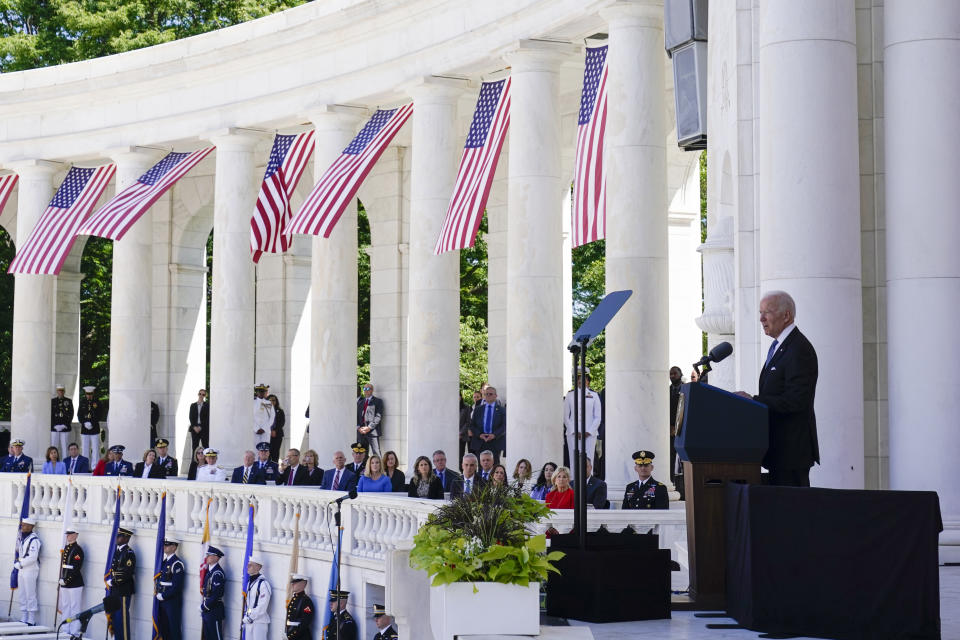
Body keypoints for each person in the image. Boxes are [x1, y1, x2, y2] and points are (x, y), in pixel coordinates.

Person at [736, 290, 820, 487]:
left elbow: (797, 400)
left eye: (767, 312)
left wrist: (754, 401)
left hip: (792, 451)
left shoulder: (799, 349)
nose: (761, 319)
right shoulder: (780, 346)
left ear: (786, 315)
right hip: (778, 450)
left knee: (793, 513)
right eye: (760, 312)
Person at [563, 368, 602, 464]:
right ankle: (574, 479)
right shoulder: (570, 395)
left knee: (589, 460)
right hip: (573, 434)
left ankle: (588, 479)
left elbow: (598, 417)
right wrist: (574, 431)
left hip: (589, 434)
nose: (581, 381)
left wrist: (588, 432)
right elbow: (565, 416)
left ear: (588, 381)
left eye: (584, 378)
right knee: (573, 460)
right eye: (579, 378)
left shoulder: (594, 395)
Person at [107, 527, 136, 640]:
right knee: (115, 618)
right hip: (115, 590)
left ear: (126, 538)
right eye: (117, 536)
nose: (117, 538)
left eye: (119, 536)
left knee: (121, 619)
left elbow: (127, 572)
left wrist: (113, 581)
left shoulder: (129, 553)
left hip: (123, 590)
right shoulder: (118, 551)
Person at [155, 536, 185, 640]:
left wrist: (164, 595)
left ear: (174, 547)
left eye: (167, 545)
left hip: (171, 601)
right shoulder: (164, 562)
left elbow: (177, 587)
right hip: (162, 600)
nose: (164, 547)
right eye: (164, 545)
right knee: (164, 628)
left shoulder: (177, 564)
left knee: (173, 629)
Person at [14, 517, 40, 625]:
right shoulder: (24, 538)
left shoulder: (34, 540)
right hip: (22, 570)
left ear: (30, 527)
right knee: (22, 593)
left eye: (24, 525)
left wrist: (20, 563)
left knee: (30, 594)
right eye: (22, 525)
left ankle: (31, 619)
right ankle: (24, 616)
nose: (22, 527)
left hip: (30, 570)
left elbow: (33, 557)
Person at [59, 527, 85, 637]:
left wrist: (67, 580)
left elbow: (76, 568)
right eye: (67, 534)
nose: (68, 536)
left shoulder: (78, 550)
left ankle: (74, 630)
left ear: (76, 535)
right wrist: (62, 579)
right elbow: (64, 567)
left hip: (74, 583)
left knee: (75, 607)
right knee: (65, 606)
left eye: (70, 534)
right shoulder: (67, 548)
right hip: (65, 583)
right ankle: (65, 629)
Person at [470, 386, 505, 463]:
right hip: (480, 442)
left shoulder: (502, 410)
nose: (488, 396)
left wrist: (494, 435)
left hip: (495, 442)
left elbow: (504, 426)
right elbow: (472, 425)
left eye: (490, 394)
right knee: (481, 467)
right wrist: (479, 435)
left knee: (494, 467)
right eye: (486, 394)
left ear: (495, 396)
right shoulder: (478, 409)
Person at [200, 546, 226, 640]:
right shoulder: (209, 572)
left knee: (215, 636)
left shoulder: (217, 573)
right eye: (207, 555)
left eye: (210, 555)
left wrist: (204, 606)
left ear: (216, 558)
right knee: (208, 636)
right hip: (208, 610)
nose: (207, 557)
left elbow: (216, 595)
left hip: (214, 610)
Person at [242, 556, 271, 640]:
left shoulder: (263, 584)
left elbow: (263, 605)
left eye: (250, 565)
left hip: (259, 622)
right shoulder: (249, 583)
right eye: (248, 565)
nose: (247, 567)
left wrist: (251, 617)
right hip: (249, 621)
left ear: (258, 567)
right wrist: (246, 617)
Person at [668, 366, 685, 499]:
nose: (672, 376)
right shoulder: (666, 391)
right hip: (669, 430)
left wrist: (678, 426)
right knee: (670, 459)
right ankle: (671, 482)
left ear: (680, 374)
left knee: (683, 461)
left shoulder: (686, 389)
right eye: (671, 374)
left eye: (675, 373)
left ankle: (684, 488)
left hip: (682, 430)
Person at [356, 383, 384, 456]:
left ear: (372, 390)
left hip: (372, 431)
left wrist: (369, 427)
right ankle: (364, 467)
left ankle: (379, 467)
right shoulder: (360, 402)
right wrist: (358, 427)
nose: (365, 391)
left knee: (376, 452)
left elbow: (378, 417)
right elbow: (357, 416)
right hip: (361, 432)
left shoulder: (378, 401)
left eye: (367, 389)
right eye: (364, 389)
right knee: (362, 454)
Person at [77, 385, 102, 462]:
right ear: (85, 394)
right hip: (85, 429)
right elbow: (79, 414)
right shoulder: (82, 402)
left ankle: (94, 467)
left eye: (90, 394)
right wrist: (84, 423)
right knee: (85, 449)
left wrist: (92, 424)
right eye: (87, 394)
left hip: (94, 429)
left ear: (93, 393)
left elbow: (100, 414)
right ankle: (86, 467)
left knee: (95, 449)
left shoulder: (97, 402)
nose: (89, 396)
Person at [285, 574, 314, 639]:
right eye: (292, 583)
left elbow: (305, 623)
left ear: (302, 584)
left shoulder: (306, 601)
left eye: (295, 583)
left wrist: (292, 635)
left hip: (300, 637)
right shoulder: (294, 598)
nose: (292, 585)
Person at [51, 383, 74, 458]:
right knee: (54, 447)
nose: (60, 392)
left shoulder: (68, 401)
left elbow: (71, 414)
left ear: (64, 391)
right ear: (57, 391)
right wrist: (54, 425)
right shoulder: (53, 401)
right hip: (55, 428)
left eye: (62, 391)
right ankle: (54, 464)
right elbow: (50, 415)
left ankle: (65, 465)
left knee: (65, 447)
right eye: (59, 391)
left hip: (65, 428)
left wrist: (65, 425)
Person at [253, 383, 275, 449]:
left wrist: (264, 428)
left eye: (263, 391)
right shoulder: (252, 402)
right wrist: (256, 428)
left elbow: (272, 417)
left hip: (265, 431)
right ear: (256, 392)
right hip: (254, 431)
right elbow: (249, 417)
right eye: (259, 391)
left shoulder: (269, 403)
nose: (261, 393)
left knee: (265, 449)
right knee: (255, 449)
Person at [458, 392, 477, 464]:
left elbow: (467, 422)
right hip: (452, 435)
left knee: (460, 455)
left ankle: (461, 471)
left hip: (462, 435)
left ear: (461, 397)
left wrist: (460, 433)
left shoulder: (466, 407)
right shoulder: (450, 406)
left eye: (458, 396)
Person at [268, 394, 286, 463]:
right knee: (268, 452)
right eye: (270, 400)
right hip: (267, 434)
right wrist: (270, 430)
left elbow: (282, 422)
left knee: (275, 452)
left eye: (273, 400)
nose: (272, 402)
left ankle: (275, 466)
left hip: (277, 434)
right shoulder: (265, 410)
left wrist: (275, 430)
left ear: (276, 401)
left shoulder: (280, 411)